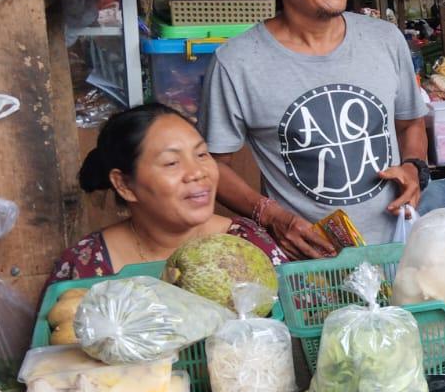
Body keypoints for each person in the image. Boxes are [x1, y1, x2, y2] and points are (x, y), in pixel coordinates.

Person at [199, 0, 431, 260]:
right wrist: (271, 216)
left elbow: (410, 122)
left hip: (398, 250)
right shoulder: (237, 63)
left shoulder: (385, 39)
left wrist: (414, 167)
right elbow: (211, 163)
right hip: (309, 265)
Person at [53, 104, 285, 281]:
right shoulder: (87, 265)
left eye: (202, 154)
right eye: (172, 162)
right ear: (124, 185)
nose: (197, 172)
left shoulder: (248, 244)